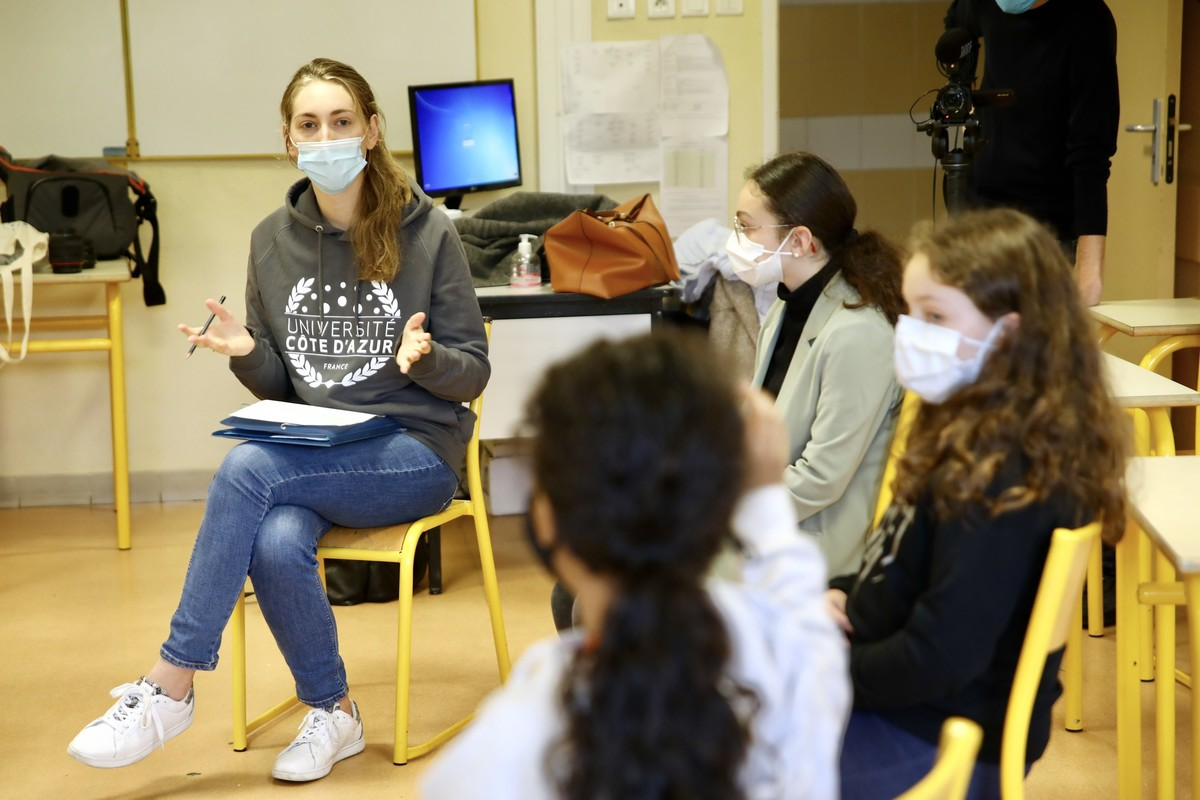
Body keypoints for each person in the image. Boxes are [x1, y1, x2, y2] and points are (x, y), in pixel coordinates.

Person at [66, 58, 489, 783]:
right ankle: (335, 711)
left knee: (248, 467)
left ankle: (171, 682)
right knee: (273, 530)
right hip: (321, 452)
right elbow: (280, 387)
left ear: (372, 129)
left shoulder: (427, 230)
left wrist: (424, 362)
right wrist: (245, 352)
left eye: (342, 121)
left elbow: (473, 370)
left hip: (415, 452)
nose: (326, 137)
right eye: (309, 125)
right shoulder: (272, 239)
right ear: (289, 140)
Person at [421, 331, 850, 799]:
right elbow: (795, 597)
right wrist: (763, 497)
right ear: (720, 506)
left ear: (547, 520)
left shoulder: (514, 737)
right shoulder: (797, 659)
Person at [830, 208, 1128, 799]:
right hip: (909, 701)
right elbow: (906, 563)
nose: (911, 332)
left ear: (1011, 333)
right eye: (911, 312)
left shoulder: (1008, 477)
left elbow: (939, 657)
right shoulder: (966, 433)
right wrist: (844, 593)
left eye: (934, 316)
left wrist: (827, 667)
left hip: (936, 731)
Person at [729, 151, 906, 577]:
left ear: (802, 240)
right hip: (770, 513)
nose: (737, 238)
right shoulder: (788, 305)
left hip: (816, 544)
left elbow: (821, 478)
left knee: (601, 599)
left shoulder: (859, 332)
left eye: (747, 226)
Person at [944, 0, 1119, 306]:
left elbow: (1091, 155)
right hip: (979, 214)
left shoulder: (1089, 20)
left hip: (1044, 230)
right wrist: (963, 84)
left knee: (1029, 347)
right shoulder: (985, 4)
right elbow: (957, 21)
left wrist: (1090, 274)